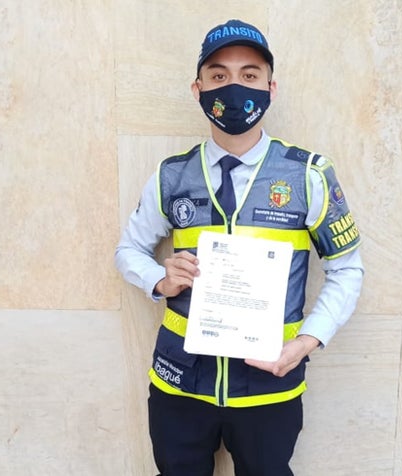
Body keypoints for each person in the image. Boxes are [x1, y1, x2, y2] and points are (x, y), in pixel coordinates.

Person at [115, 18, 364, 476]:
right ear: (198, 89)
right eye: (218, 75)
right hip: (179, 383)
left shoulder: (308, 175)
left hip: (269, 382)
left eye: (249, 75)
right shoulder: (171, 175)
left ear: (270, 87)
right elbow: (128, 250)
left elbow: (347, 269)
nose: (233, 87)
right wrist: (159, 279)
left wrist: (305, 343)